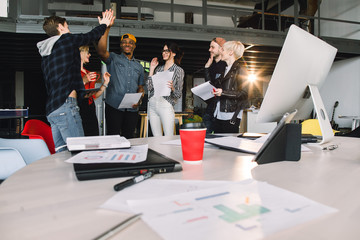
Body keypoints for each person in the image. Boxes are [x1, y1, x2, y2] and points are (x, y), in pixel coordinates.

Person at [37, 10, 114, 152]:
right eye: (67, 27)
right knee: (79, 152)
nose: (69, 30)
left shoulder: (47, 54)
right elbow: (90, 36)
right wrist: (104, 24)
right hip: (66, 106)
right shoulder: (65, 40)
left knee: (62, 154)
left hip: (52, 111)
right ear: (60, 27)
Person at [97, 24, 145, 139]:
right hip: (114, 105)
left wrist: (140, 99)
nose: (127, 44)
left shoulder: (139, 66)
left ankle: (127, 157)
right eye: (124, 42)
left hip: (132, 108)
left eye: (130, 42)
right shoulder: (113, 58)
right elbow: (101, 51)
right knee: (113, 137)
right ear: (120, 45)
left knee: (129, 137)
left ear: (134, 46)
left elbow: (140, 87)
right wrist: (107, 28)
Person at [147, 42, 184, 136]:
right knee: (156, 138)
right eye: (163, 51)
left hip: (165, 104)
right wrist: (151, 68)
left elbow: (178, 94)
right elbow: (149, 87)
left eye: (167, 51)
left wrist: (172, 88)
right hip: (152, 104)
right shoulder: (158, 69)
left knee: (168, 137)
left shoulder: (178, 70)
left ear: (174, 53)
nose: (164, 53)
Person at [212, 41, 249, 133]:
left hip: (231, 115)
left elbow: (244, 93)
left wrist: (223, 92)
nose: (221, 52)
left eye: (223, 50)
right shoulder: (223, 69)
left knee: (228, 145)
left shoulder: (241, 69)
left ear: (231, 52)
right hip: (219, 113)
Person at [78, 46, 111, 136]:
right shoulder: (72, 72)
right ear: (80, 54)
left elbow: (94, 96)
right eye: (87, 52)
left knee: (93, 136)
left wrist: (105, 83)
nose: (89, 54)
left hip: (90, 108)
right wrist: (84, 81)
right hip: (78, 109)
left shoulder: (89, 72)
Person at [203, 37, 227, 133]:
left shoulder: (226, 66)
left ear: (221, 49)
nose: (209, 50)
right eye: (210, 47)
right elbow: (209, 85)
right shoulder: (211, 65)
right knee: (205, 140)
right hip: (210, 109)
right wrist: (206, 68)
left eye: (212, 47)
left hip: (221, 110)